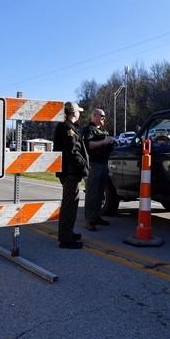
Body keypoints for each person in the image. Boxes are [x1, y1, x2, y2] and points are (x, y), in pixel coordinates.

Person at [52, 101, 89, 248]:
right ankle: (66, 238)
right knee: (69, 205)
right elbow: (73, 152)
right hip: (70, 172)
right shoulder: (68, 128)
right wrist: (84, 169)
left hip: (69, 172)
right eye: (78, 111)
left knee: (72, 204)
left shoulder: (67, 127)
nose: (80, 113)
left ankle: (68, 232)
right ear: (74, 113)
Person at [81, 108, 116, 231]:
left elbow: (106, 145)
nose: (103, 119)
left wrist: (111, 141)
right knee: (92, 193)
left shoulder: (103, 131)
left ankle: (96, 217)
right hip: (93, 165)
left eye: (104, 116)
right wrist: (104, 141)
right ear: (94, 116)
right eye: (101, 116)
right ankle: (89, 220)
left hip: (103, 164)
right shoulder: (88, 130)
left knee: (101, 193)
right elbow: (89, 144)